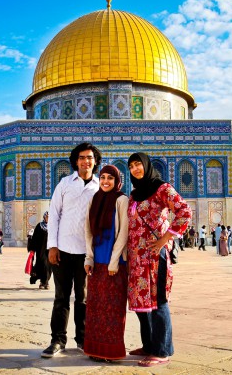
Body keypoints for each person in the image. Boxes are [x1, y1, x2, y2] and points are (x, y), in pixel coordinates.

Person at [126, 152, 191, 367]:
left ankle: (162, 350)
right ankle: (149, 345)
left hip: (155, 257)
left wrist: (165, 238)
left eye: (139, 165)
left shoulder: (162, 188)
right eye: (132, 166)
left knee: (158, 301)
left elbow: (184, 211)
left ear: (147, 166)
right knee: (142, 303)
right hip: (137, 259)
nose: (136, 169)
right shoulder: (134, 195)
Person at [42, 142, 101, 358]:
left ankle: (84, 340)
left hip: (87, 252)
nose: (86, 161)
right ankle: (58, 340)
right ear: (76, 161)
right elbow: (54, 214)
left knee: (83, 299)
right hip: (63, 250)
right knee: (61, 297)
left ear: (95, 161)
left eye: (90, 157)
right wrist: (52, 246)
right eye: (82, 157)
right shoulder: (65, 184)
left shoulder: (99, 186)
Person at [83, 164, 129, 361]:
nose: (105, 182)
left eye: (110, 178)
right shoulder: (95, 199)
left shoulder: (121, 200)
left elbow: (123, 233)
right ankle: (96, 350)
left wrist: (114, 262)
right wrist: (89, 257)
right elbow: (87, 230)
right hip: (97, 262)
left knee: (113, 310)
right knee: (95, 309)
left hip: (114, 264)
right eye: (102, 178)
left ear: (117, 181)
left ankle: (111, 352)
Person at [28, 212, 52, 289]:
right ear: (44, 217)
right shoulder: (39, 226)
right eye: (47, 216)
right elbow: (35, 238)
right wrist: (32, 249)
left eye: (49, 216)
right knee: (43, 264)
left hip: (50, 249)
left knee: (49, 266)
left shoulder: (53, 226)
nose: (48, 218)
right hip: (41, 250)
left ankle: (44, 281)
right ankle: (44, 282)